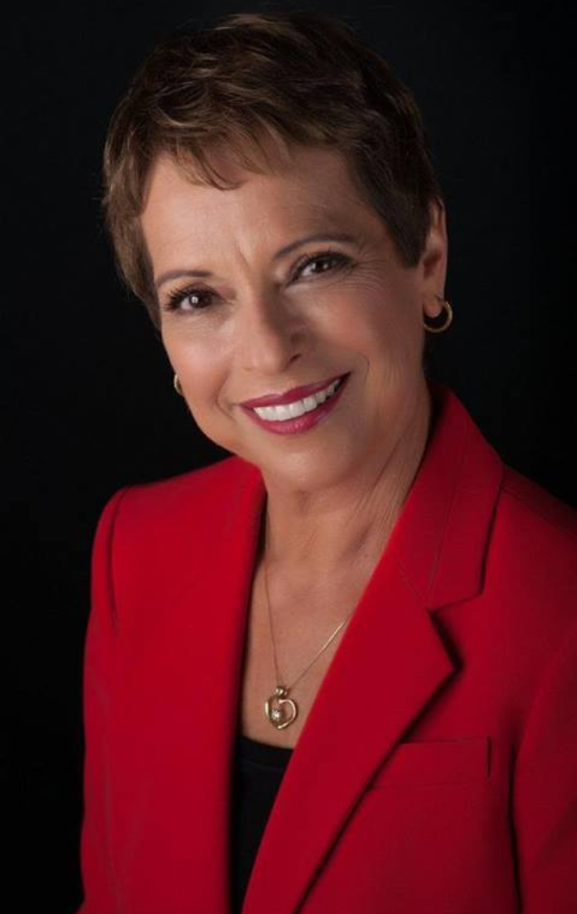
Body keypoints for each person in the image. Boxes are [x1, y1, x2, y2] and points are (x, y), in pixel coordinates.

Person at [77, 9, 577, 914]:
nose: (268, 350)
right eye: (198, 297)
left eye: (314, 265)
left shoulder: (559, 610)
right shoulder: (134, 551)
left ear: (426, 258)